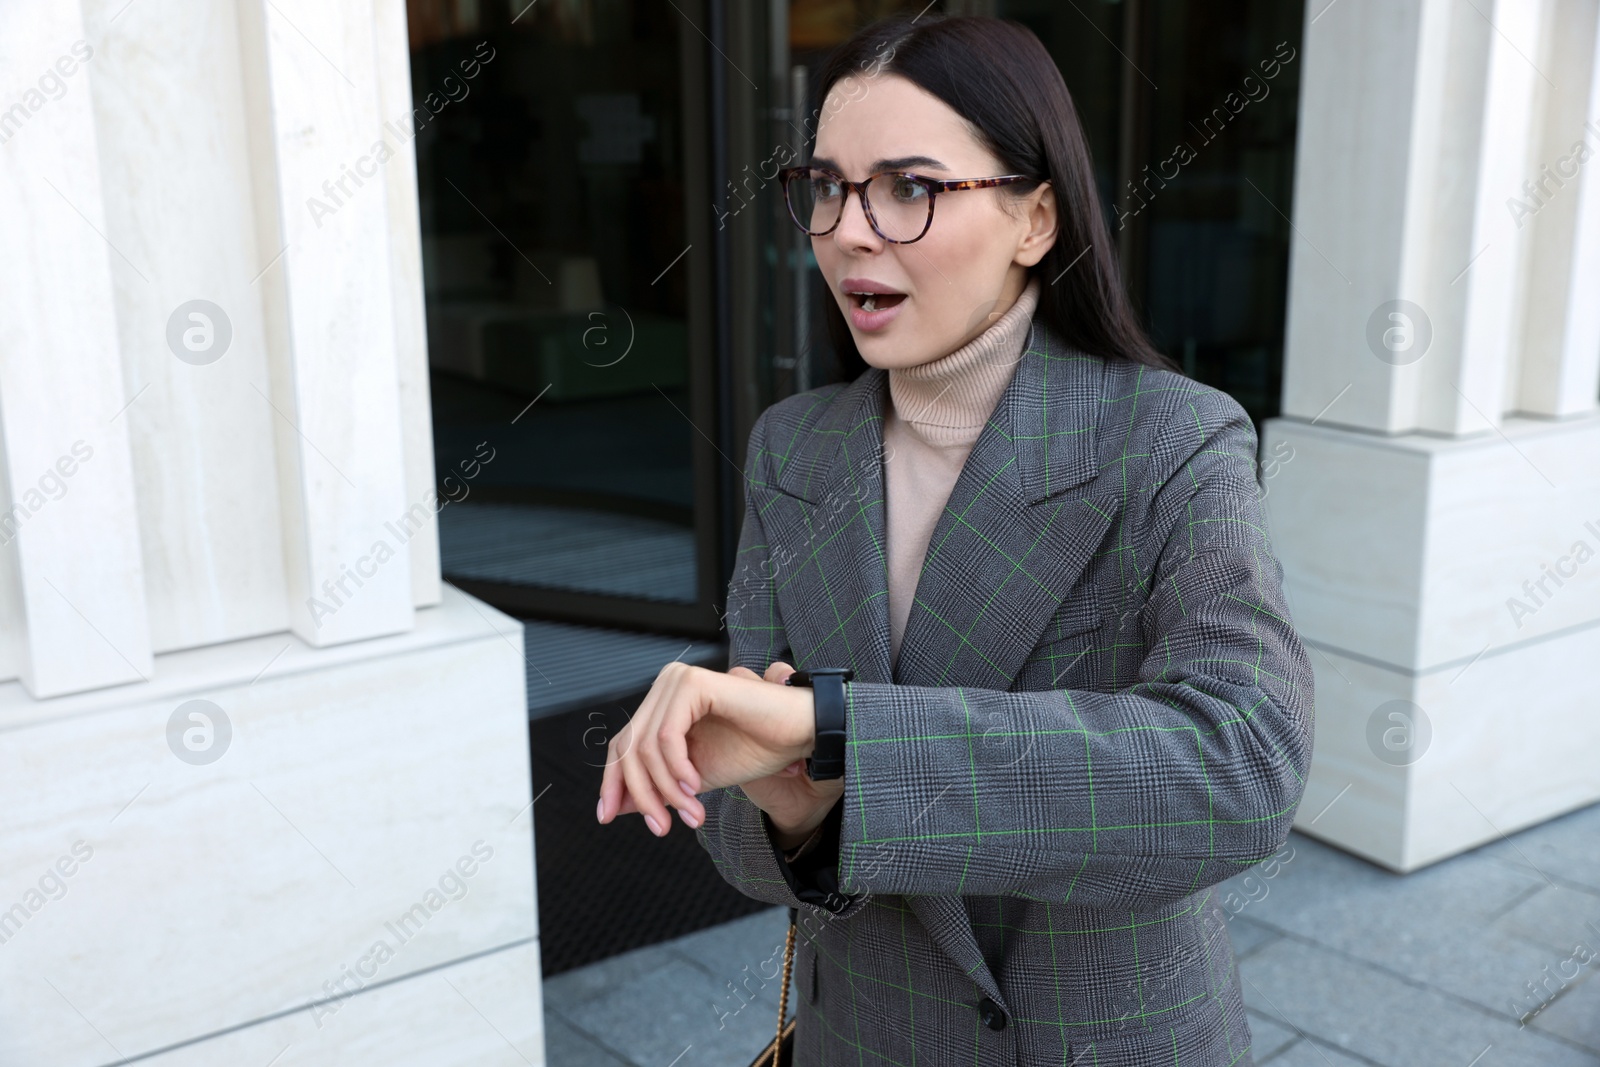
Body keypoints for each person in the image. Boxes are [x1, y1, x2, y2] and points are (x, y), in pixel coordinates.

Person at [596, 13, 1314, 1065]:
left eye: (909, 187)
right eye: (828, 186)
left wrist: (843, 734)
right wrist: (796, 812)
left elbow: (1243, 767)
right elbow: (746, 839)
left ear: (1033, 219)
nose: (847, 229)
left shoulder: (1170, 436)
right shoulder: (791, 450)